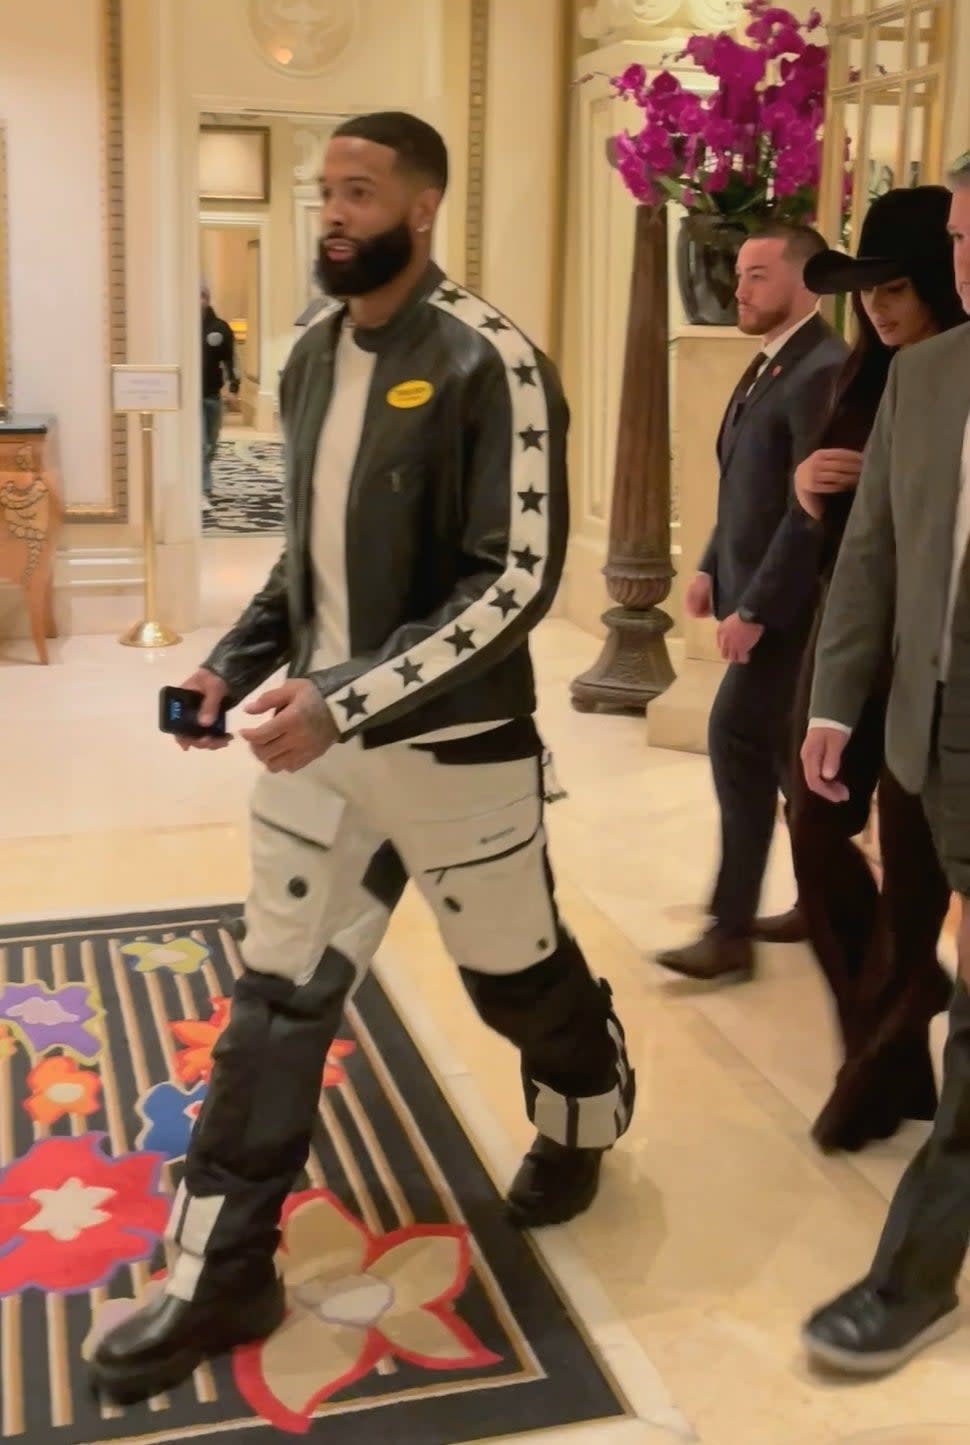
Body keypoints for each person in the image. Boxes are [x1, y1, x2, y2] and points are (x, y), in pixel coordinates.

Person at [89, 112, 635, 1405]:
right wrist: (231, 659)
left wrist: (348, 697)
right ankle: (222, 1269)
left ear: (422, 206)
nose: (330, 211)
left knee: (516, 980)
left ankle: (586, 1097)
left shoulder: (490, 361)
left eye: (357, 190)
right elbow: (305, 558)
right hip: (318, 756)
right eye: (319, 190)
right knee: (275, 1012)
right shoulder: (308, 356)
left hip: (454, 750)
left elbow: (514, 583)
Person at [800, 168, 970, 1375]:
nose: (961, 261)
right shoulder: (924, 375)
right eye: (955, 238)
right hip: (934, 730)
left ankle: (912, 1273)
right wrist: (833, 701)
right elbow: (873, 556)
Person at [656, 224, 847, 984]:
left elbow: (810, 513)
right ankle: (823, 903)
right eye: (741, 274)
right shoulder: (771, 364)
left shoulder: (822, 371)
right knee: (779, 763)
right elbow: (747, 489)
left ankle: (729, 929)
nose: (738, 290)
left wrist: (759, 607)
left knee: (736, 742)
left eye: (758, 276)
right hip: (759, 596)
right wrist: (707, 565)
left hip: (795, 613)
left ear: (806, 284)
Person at [200, 283, 239, 498]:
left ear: (208, 299)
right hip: (191, 396)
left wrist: (234, 386)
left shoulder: (220, 328)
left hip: (212, 395)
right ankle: (203, 487)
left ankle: (203, 474)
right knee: (201, 443)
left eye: (203, 296)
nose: (199, 301)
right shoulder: (183, 327)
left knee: (211, 443)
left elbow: (231, 359)